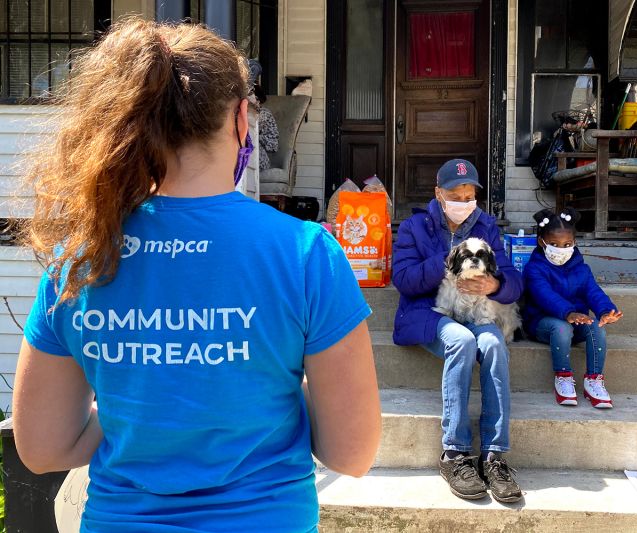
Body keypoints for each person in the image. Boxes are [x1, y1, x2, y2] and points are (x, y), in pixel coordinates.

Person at [12, 19, 381, 532]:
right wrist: (264, 389)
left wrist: (135, 405)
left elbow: (44, 448)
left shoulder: (81, 256)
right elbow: (352, 453)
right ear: (239, 122)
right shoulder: (306, 253)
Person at [392, 159, 523, 503]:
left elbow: (514, 283)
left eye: (469, 195)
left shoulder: (488, 226)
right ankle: (455, 453)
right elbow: (403, 280)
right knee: (461, 340)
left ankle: (494, 455)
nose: (463, 201)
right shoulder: (414, 227)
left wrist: (495, 284)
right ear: (438, 193)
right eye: (455, 194)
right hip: (428, 313)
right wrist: (448, 261)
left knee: (493, 343)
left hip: (478, 312)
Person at [522, 208, 623, 408]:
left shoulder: (582, 269)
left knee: (596, 327)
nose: (561, 249)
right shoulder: (534, 268)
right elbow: (544, 296)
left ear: (574, 243)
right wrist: (568, 312)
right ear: (542, 241)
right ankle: (563, 377)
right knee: (562, 327)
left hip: (577, 320)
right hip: (542, 323)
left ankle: (593, 380)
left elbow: (593, 292)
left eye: (567, 244)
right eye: (554, 244)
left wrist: (605, 311)